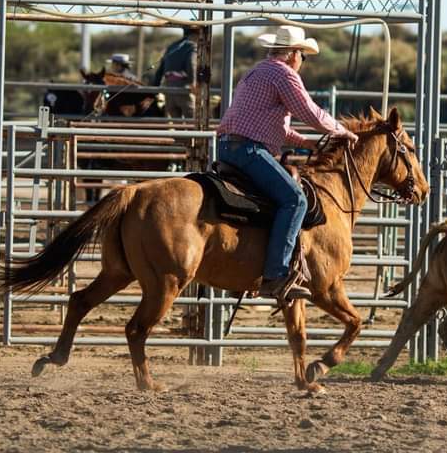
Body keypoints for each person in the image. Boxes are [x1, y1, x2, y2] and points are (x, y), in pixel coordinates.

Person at [215, 25, 358, 306]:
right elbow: (310, 112)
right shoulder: (284, 74)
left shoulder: (257, 72)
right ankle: (276, 274)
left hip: (230, 146)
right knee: (295, 200)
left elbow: (270, 125)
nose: (302, 62)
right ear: (294, 54)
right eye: (303, 56)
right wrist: (341, 130)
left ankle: (244, 268)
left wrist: (306, 144)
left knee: (265, 202)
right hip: (248, 150)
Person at [152, 26, 197, 119]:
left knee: (177, 122)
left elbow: (161, 68)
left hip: (169, 87)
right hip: (184, 87)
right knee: (192, 120)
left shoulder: (172, 46)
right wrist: (193, 82)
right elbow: (191, 63)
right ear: (197, 33)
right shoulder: (192, 46)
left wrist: (155, 86)